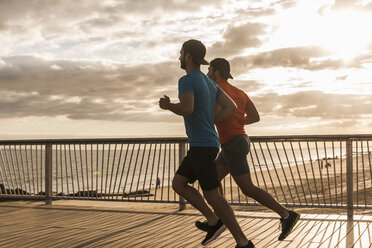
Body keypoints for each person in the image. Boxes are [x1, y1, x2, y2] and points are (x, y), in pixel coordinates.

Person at [159, 40, 255, 248]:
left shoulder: (187, 80)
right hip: (207, 143)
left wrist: (168, 106)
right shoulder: (208, 81)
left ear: (188, 57)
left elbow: (187, 108)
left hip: (202, 144)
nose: (179, 57)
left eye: (181, 53)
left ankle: (241, 240)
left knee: (212, 194)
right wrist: (212, 119)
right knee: (179, 184)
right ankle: (214, 221)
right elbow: (231, 106)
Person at [193, 58, 300, 241]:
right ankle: (218, 219)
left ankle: (287, 215)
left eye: (209, 70)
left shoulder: (217, 91)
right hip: (238, 140)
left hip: (233, 143)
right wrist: (237, 121)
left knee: (247, 188)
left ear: (217, 72)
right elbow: (255, 117)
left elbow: (213, 116)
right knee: (211, 184)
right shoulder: (239, 92)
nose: (208, 74)